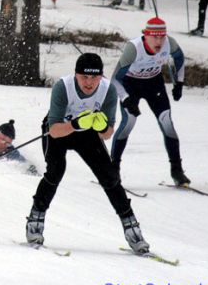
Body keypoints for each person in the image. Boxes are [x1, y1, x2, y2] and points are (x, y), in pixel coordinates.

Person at [25, 53, 150, 254]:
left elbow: (108, 134)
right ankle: (36, 219)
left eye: (94, 77)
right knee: (56, 170)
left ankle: (131, 227)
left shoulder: (108, 90)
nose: (89, 82)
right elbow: (54, 130)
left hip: (87, 133)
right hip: (61, 129)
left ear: (101, 77)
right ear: (76, 75)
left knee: (109, 176)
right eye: (84, 77)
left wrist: (101, 127)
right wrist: (75, 123)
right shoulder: (62, 87)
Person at [110, 17, 188, 185]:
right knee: (129, 122)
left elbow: (180, 59)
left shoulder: (170, 43)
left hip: (154, 84)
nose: (159, 41)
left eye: (162, 36)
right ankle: (113, 169)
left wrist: (179, 82)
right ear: (146, 35)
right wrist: (126, 99)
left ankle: (177, 170)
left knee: (166, 122)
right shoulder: (134, 48)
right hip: (130, 85)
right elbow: (115, 80)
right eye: (154, 37)